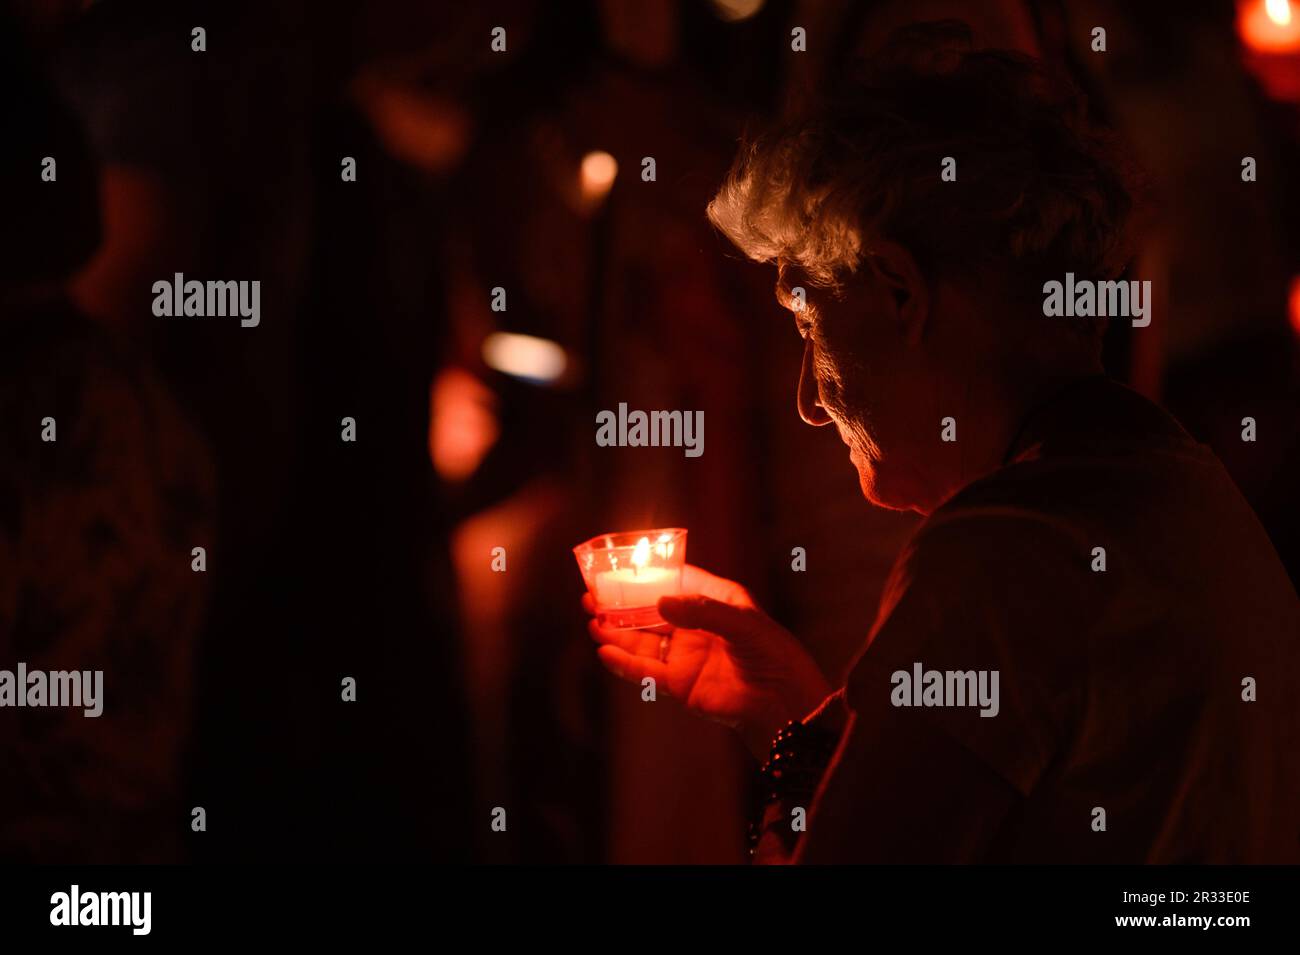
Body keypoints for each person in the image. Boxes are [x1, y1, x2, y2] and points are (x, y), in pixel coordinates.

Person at [584, 23, 1300, 863]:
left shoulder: (1001, 553)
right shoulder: (1189, 493)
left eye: (809, 323)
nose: (811, 401)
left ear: (898, 292)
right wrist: (793, 717)